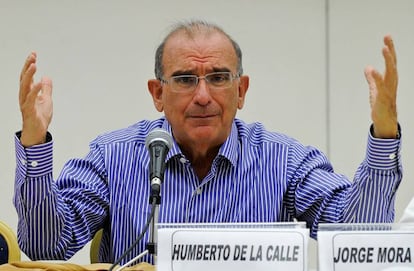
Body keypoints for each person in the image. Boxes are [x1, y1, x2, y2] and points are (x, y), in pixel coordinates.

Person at [14, 20, 401, 265]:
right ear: (157, 94)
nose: (202, 95)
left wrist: (383, 135)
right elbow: (47, 248)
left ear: (241, 90)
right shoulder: (113, 156)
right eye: (184, 80)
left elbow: (359, 238)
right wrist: (34, 143)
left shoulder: (281, 159)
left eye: (218, 78)